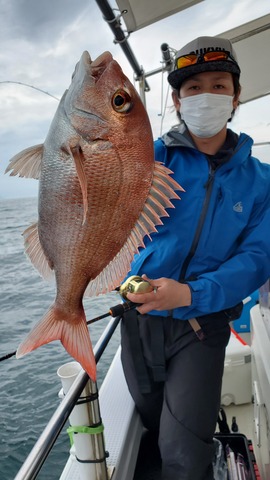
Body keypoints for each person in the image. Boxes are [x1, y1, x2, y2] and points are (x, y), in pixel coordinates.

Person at [120, 35, 270, 480]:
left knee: (183, 453)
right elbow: (103, 212)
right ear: (177, 99)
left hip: (202, 325)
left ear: (237, 96)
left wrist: (189, 293)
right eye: (193, 87)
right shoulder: (146, 159)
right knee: (150, 421)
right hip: (138, 316)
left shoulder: (261, 180)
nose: (206, 95)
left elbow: (257, 258)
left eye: (219, 85)